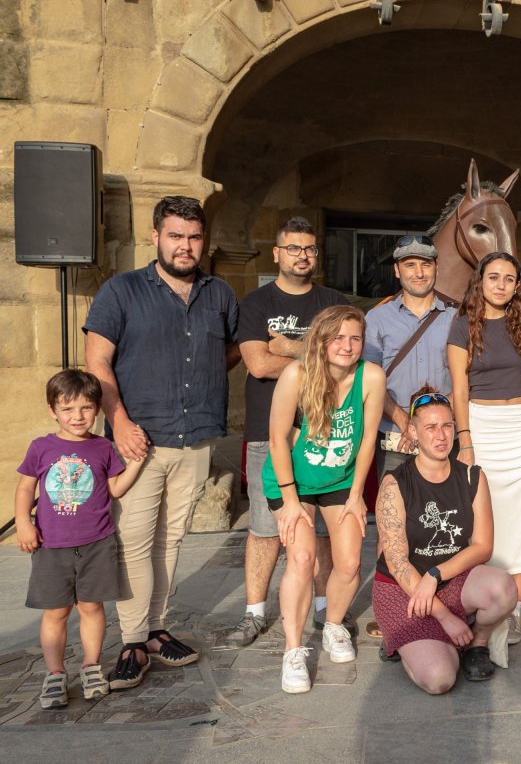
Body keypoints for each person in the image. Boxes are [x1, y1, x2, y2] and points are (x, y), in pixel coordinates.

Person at [84, 195, 239, 690]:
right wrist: (121, 421)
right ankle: (130, 640)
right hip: (138, 441)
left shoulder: (220, 294)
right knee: (133, 542)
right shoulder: (122, 291)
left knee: (171, 541)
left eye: (194, 237)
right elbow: (97, 363)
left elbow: (229, 353)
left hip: (194, 439)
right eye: (175, 236)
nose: (185, 246)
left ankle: (155, 630)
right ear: (156, 237)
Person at [227, 217, 350, 647]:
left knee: (319, 530)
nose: (303, 256)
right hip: (268, 433)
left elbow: (347, 359)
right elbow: (258, 365)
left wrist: (286, 347)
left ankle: (323, 607)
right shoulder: (256, 303)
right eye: (294, 248)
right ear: (276, 253)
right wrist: (316, 354)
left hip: (325, 434)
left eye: (310, 249)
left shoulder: (333, 300)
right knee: (265, 527)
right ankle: (254, 612)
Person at [265, 305, 385, 693]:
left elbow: (368, 440)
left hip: (341, 479)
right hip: (292, 481)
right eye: (338, 337)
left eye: (355, 338)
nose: (347, 346)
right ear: (321, 339)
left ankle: (333, 625)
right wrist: (290, 501)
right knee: (302, 558)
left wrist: (356, 496)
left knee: (350, 562)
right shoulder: (296, 374)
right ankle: (294, 650)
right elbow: (278, 439)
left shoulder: (371, 377)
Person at [372, 388, 518, 694]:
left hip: (451, 580)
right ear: (412, 431)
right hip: (405, 590)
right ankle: (413, 640)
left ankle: (476, 644)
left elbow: (482, 546)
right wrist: (444, 616)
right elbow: (397, 562)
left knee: (505, 588)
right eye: (430, 427)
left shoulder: (472, 477)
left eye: (447, 426)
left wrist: (436, 574)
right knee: (440, 679)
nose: (441, 436)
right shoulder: (394, 484)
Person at [14, 370, 146, 708]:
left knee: (91, 607)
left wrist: (135, 464)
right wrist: (24, 524)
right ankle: (55, 673)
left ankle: (91, 666)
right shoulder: (41, 447)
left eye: (86, 408)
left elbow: (114, 488)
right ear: (52, 411)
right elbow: (26, 486)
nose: (77, 417)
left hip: (97, 542)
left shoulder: (103, 447)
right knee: (56, 612)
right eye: (68, 409)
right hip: (51, 545)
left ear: (98, 409)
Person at [447, 252, 521, 645]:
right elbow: (458, 388)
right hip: (483, 427)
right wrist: (465, 439)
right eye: (493, 277)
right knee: (484, 522)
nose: (501, 285)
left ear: (517, 285)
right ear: (480, 282)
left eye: (509, 279)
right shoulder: (462, 326)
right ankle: (486, 600)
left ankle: (514, 611)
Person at [365, 235, 457, 479]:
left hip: (444, 437)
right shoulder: (376, 319)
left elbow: (467, 379)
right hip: (395, 437)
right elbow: (368, 380)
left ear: (436, 268)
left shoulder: (457, 318)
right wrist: (406, 422)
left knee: (445, 512)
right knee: (395, 509)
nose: (419, 272)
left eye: (426, 264)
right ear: (396, 271)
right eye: (409, 265)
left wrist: (434, 424)